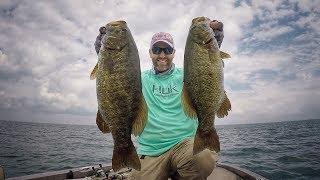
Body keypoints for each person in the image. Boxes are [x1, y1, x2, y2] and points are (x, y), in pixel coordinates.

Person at [94, 19, 224, 180]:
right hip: (150, 151)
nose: (162, 55)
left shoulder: (188, 75)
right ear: (150, 53)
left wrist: (214, 43)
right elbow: (116, 77)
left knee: (201, 159)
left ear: (174, 53)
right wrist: (102, 53)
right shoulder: (138, 79)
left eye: (167, 50)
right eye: (157, 49)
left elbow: (206, 70)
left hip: (184, 146)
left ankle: (182, 171)